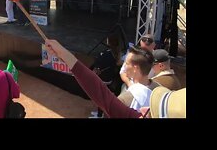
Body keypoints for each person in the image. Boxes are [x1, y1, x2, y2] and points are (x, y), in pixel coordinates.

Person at [45, 39, 185, 118]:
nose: (144, 110)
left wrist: (64, 54)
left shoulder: (125, 100)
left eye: (152, 111)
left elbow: (100, 92)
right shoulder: (158, 87)